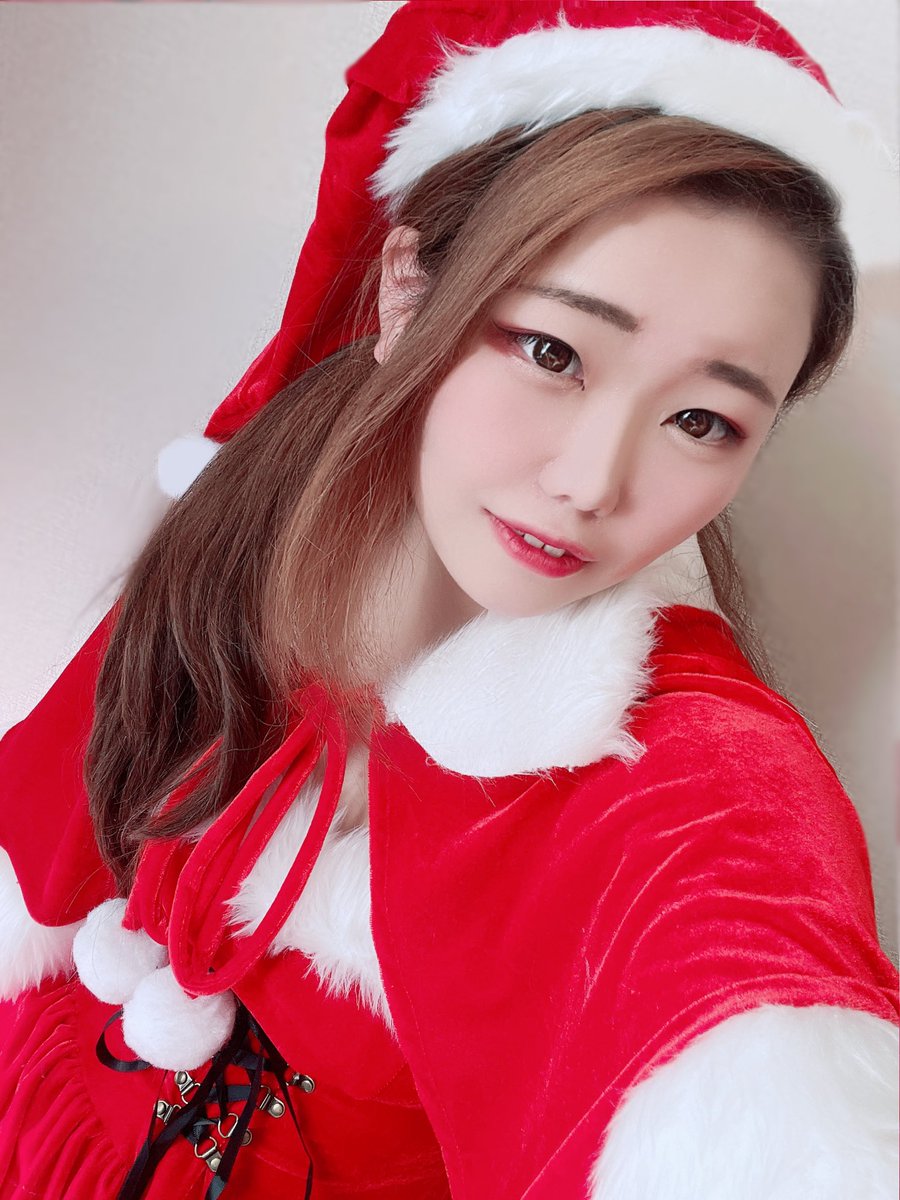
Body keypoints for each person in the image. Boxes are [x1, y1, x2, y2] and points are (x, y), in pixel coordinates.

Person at [0, 2, 897, 1198]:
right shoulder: (263, 510)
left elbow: (746, 988)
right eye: (554, 352)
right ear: (407, 291)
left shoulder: (676, 764)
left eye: (703, 419)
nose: (592, 484)